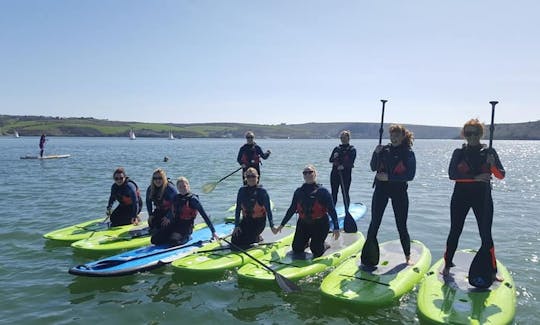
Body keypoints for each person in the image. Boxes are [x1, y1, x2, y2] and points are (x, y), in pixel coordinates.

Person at [442, 119, 505, 279]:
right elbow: (452, 175)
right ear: (464, 135)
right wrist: (476, 177)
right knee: (455, 231)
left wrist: (493, 166)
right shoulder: (459, 153)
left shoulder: (489, 153)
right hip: (460, 197)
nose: (471, 136)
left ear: (481, 134)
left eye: (475, 133)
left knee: (485, 234)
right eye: (468, 133)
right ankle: (448, 265)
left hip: (482, 198)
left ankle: (492, 271)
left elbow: (500, 175)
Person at [361, 125, 416, 267]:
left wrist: (389, 177)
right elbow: (373, 167)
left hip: (399, 192)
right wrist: (375, 153)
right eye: (392, 135)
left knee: (401, 225)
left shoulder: (408, 153)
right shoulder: (384, 150)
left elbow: (410, 175)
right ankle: (368, 257)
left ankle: (407, 257)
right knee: (374, 223)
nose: (394, 138)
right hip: (381, 190)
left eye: (397, 135)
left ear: (403, 137)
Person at [273, 165, 340, 258]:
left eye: (310, 172)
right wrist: (282, 225)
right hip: (304, 224)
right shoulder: (299, 192)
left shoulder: (323, 192)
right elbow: (292, 209)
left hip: (320, 224)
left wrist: (336, 228)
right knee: (296, 248)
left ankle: (324, 245)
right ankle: (306, 242)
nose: (308, 174)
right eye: (305, 173)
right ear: (303, 176)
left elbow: (332, 210)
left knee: (316, 250)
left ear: (315, 174)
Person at [151, 177, 219, 246]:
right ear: (177, 188)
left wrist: (213, 231)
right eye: (180, 187)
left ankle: (187, 237)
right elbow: (172, 211)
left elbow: (204, 215)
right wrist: (168, 217)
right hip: (176, 223)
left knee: (173, 241)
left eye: (184, 186)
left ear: (188, 186)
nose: (182, 188)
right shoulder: (176, 198)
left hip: (186, 226)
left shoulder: (193, 199)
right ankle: (173, 235)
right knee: (155, 240)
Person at [231, 167, 274, 249]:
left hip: (258, 222)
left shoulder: (262, 192)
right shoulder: (241, 191)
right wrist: (236, 226)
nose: (251, 179)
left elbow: (268, 210)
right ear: (245, 178)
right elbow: (237, 210)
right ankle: (253, 236)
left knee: (246, 241)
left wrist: (272, 226)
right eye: (248, 176)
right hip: (246, 221)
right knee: (235, 240)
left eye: (253, 176)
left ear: (257, 177)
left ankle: (257, 237)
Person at [329, 130, 356, 206]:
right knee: (334, 192)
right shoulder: (336, 149)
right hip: (335, 174)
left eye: (345, 137)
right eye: (341, 137)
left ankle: (347, 211)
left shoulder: (352, 150)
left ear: (348, 138)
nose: (343, 139)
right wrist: (334, 158)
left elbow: (351, 162)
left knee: (345, 193)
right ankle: (332, 210)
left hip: (346, 175)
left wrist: (343, 166)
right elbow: (330, 160)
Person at [146, 168, 178, 233]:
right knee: (151, 223)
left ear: (164, 179)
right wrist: (150, 214)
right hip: (160, 210)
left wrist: (169, 216)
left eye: (160, 178)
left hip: (172, 212)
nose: (157, 180)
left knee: (165, 225)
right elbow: (148, 202)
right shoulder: (150, 189)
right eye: (155, 178)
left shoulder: (170, 189)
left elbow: (177, 204)